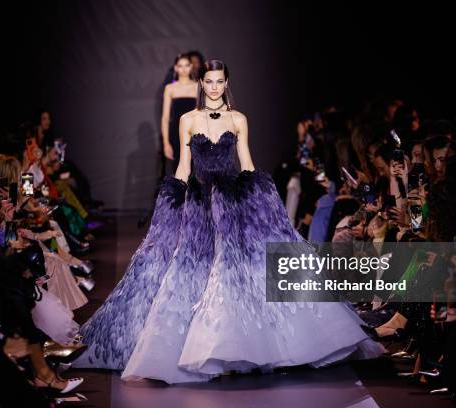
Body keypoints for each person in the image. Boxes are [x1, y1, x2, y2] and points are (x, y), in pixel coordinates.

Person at [73, 59, 383, 383]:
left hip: (231, 201)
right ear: (202, 84)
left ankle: (236, 349)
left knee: (235, 270)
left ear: (226, 83)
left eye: (220, 81)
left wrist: (262, 199)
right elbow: (183, 164)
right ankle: (203, 349)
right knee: (189, 267)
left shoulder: (238, 119)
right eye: (209, 81)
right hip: (199, 203)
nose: (215, 87)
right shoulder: (188, 119)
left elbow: (246, 161)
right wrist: (173, 198)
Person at [161, 54, 198, 175]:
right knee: (179, 169)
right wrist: (166, 143)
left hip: (196, 132)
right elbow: (165, 117)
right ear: (176, 68)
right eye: (180, 66)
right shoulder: (170, 88)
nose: (184, 69)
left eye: (187, 65)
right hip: (176, 133)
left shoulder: (198, 86)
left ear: (191, 66)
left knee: (197, 171)